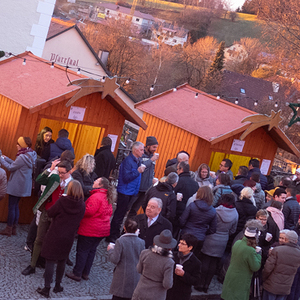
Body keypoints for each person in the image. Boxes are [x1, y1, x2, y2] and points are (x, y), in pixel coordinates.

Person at [22, 160, 73, 276]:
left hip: (59, 217)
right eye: (59, 172)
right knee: (39, 239)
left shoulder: (72, 185)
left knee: (52, 242)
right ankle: (32, 265)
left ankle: (47, 267)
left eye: (63, 173)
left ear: (69, 172)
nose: (60, 175)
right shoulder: (54, 178)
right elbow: (39, 180)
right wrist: (51, 169)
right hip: (47, 212)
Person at [36, 180, 85, 298]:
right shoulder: (82, 205)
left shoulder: (63, 201)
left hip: (55, 233)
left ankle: (47, 288)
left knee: (50, 261)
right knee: (62, 260)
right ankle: (58, 285)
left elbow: (51, 212)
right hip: (69, 236)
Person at [66, 177, 116, 281]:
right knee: (92, 251)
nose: (94, 181)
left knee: (83, 251)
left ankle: (77, 273)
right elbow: (109, 212)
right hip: (103, 230)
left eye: (96, 181)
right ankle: (85, 273)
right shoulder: (108, 197)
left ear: (100, 185)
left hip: (91, 229)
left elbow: (88, 211)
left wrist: (80, 208)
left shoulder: (96, 197)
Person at [198, 194, 238, 293]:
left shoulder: (216, 211)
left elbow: (208, 224)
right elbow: (233, 230)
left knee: (205, 260)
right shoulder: (235, 213)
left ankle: (200, 284)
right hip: (223, 240)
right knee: (214, 262)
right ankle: (207, 285)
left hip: (211, 237)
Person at [107, 141, 145, 243]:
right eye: (141, 149)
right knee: (119, 214)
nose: (143, 151)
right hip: (125, 191)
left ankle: (115, 233)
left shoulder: (137, 160)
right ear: (135, 150)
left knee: (122, 214)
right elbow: (126, 178)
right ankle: (112, 235)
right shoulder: (128, 161)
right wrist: (138, 171)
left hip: (131, 191)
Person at [0, 137, 37, 236]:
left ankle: (9, 229)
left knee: (11, 206)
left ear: (22, 145)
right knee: (16, 206)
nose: (16, 145)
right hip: (23, 186)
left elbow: (10, 167)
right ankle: (14, 228)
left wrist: (0, 158)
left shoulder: (22, 157)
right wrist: (6, 158)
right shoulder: (31, 154)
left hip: (16, 185)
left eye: (18, 143)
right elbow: (17, 165)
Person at [132, 229, 177, 300]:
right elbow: (167, 284)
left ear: (155, 243)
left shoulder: (145, 253)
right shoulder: (169, 262)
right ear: (170, 248)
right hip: (157, 295)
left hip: (140, 291)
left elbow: (138, 269)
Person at [107, 218, 145, 300]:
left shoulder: (120, 241)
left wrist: (110, 250)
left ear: (124, 228)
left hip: (122, 277)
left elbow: (115, 259)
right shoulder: (141, 242)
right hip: (136, 276)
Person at [221, 227, 262, 300]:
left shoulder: (237, 243)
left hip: (231, 275)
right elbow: (255, 267)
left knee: (227, 295)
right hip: (241, 279)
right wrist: (258, 254)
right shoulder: (250, 250)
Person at [180, 186, 217, 259]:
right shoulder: (213, 211)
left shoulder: (192, 205)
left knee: (181, 257)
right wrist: (203, 232)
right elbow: (213, 229)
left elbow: (182, 221)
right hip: (200, 238)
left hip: (187, 234)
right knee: (193, 259)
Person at [262, 230, 300, 300]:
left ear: (285, 239)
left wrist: (263, 279)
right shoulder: (298, 254)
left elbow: (268, 269)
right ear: (296, 241)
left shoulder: (277, 250)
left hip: (271, 285)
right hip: (286, 287)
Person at [128, 136, 159, 217]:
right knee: (128, 207)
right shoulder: (141, 154)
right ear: (148, 146)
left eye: (156, 147)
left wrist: (153, 178)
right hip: (137, 187)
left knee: (135, 210)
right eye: (153, 147)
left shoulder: (152, 156)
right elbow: (140, 167)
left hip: (146, 188)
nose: (155, 149)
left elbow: (151, 170)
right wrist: (151, 160)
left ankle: (129, 227)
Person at [166, 233, 201, 300]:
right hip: (169, 291)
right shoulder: (173, 255)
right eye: (180, 242)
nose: (179, 245)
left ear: (190, 247)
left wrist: (184, 274)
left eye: (183, 244)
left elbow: (196, 281)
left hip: (182, 294)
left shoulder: (196, 262)